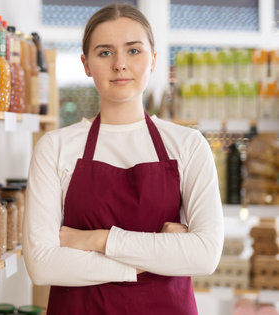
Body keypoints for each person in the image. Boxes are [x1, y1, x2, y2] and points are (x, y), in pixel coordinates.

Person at [23, 3, 224, 315]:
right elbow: (42, 265)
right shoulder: (55, 147)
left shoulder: (188, 145)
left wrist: (97, 240)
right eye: (104, 53)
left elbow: (205, 256)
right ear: (86, 64)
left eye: (133, 51)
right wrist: (148, 262)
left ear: (154, 59)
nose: (119, 64)